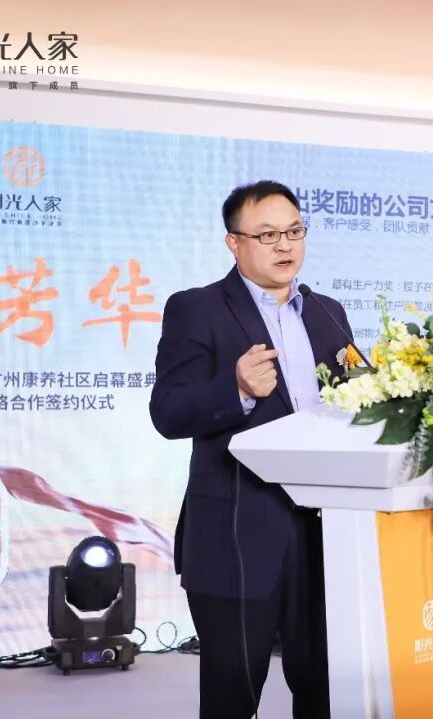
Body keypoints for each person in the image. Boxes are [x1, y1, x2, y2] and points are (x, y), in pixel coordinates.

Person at [150, 181, 352, 719]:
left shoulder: (327, 313)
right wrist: (235, 389)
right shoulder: (197, 309)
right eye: (267, 235)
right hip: (236, 537)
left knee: (327, 690)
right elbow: (167, 412)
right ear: (234, 243)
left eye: (294, 231)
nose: (284, 245)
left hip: (326, 538)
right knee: (232, 697)